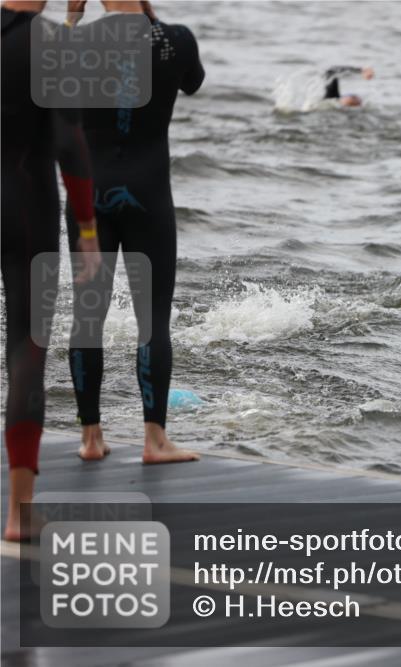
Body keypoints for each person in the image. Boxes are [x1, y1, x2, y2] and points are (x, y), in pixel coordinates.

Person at [65, 0, 204, 464]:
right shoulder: (176, 39)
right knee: (153, 320)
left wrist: (72, 19)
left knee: (87, 316)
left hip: (89, 197)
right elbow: (193, 82)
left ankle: (90, 439)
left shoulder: (76, 42)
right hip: (149, 194)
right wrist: (151, 19)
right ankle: (154, 441)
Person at [2, 0, 102, 541]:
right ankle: (19, 513)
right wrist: (86, 228)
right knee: (26, 346)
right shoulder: (51, 42)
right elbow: (69, 142)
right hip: (26, 208)